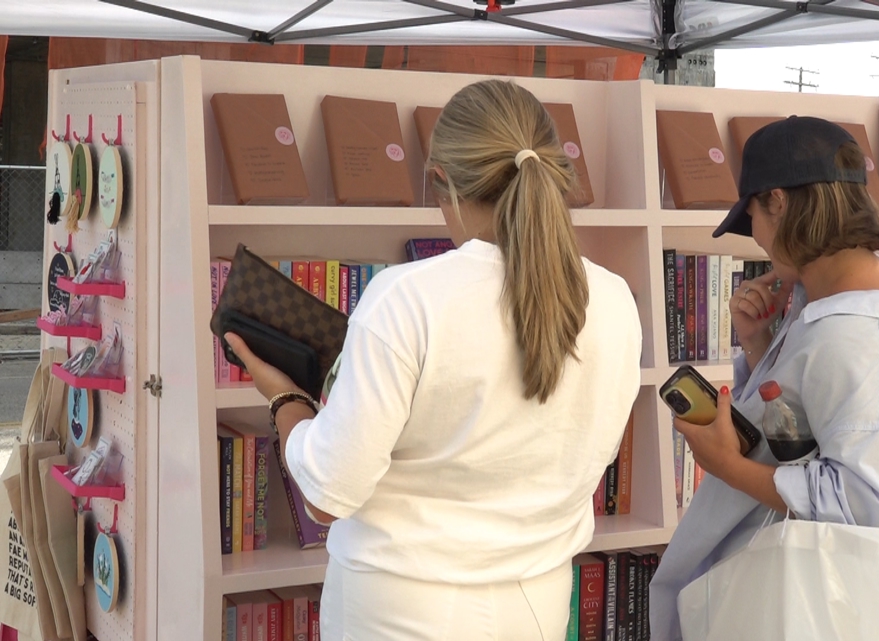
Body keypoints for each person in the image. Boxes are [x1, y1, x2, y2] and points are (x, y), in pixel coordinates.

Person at [225, 79, 642, 640]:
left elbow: (328, 494)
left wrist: (284, 399)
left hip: (402, 610)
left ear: (441, 180)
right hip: (540, 604)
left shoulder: (408, 297)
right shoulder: (615, 299)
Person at [649, 116, 879, 639]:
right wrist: (759, 344)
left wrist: (723, 463)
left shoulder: (861, 338)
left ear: (779, 203)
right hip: (784, 594)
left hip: (802, 606)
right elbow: (806, 420)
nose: (760, 241)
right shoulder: (833, 301)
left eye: (754, 220)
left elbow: (870, 505)